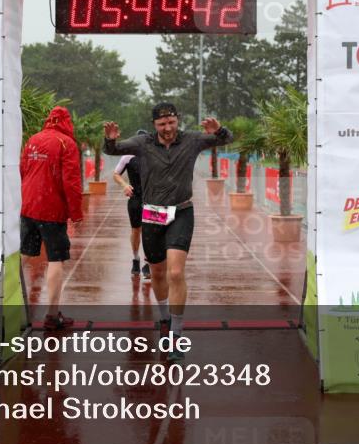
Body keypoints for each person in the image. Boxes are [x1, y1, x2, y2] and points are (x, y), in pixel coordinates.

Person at [104, 103, 232, 361]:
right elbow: (113, 150)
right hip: (152, 212)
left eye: (171, 122)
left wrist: (219, 130)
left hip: (182, 211)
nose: (168, 128)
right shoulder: (143, 143)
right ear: (154, 125)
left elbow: (224, 140)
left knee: (175, 271)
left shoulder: (191, 140)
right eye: (162, 124)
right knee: (159, 272)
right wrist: (109, 139)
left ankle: (176, 333)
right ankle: (164, 317)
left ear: (177, 120)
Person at [20, 106, 84, 331]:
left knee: (24, 254)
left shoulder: (33, 140)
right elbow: (71, 182)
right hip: (52, 209)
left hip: (28, 205)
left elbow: (22, 170)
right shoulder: (67, 144)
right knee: (55, 259)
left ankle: (5, 305)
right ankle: (52, 314)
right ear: (67, 122)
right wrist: (76, 213)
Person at [112, 130, 151, 279]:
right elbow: (116, 174)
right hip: (135, 197)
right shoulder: (128, 156)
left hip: (153, 199)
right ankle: (136, 258)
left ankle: (149, 262)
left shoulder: (154, 155)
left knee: (151, 231)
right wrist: (124, 185)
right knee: (136, 230)